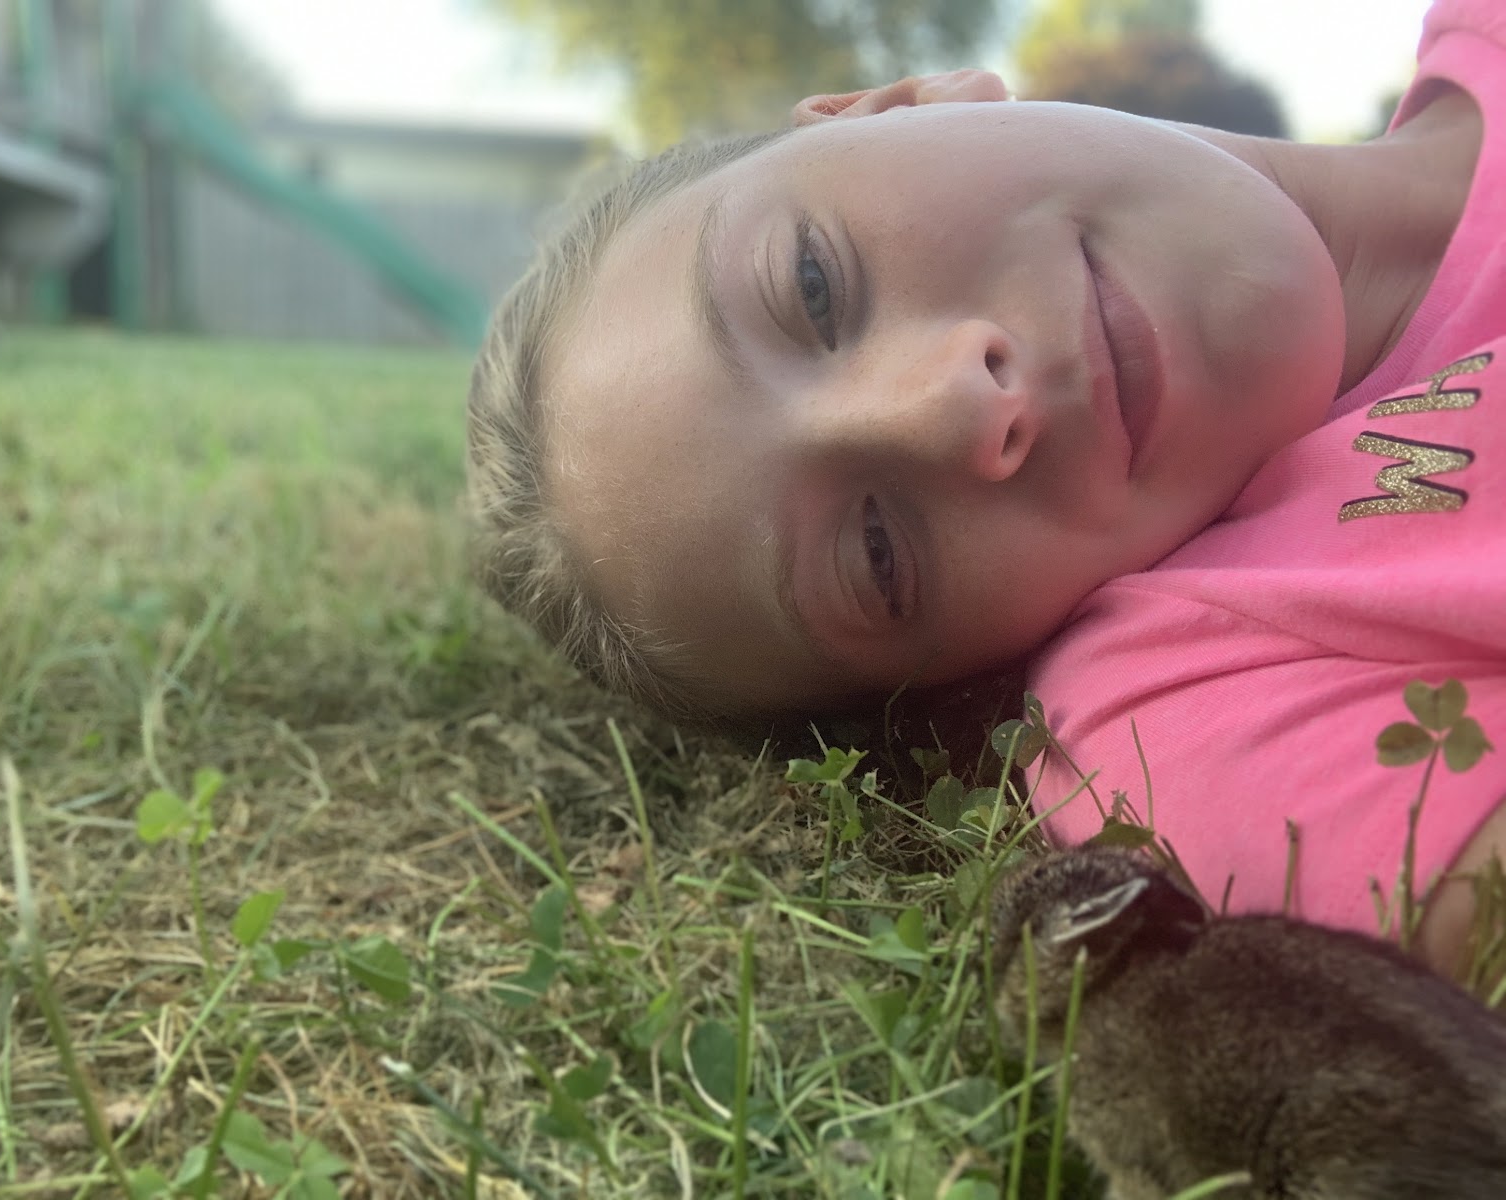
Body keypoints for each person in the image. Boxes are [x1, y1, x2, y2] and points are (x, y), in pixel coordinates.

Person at [468, 0, 1506, 975]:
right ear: (964, 673)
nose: (962, 404)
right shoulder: (1182, 699)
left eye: (814, 283)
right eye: (877, 555)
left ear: (900, 104)